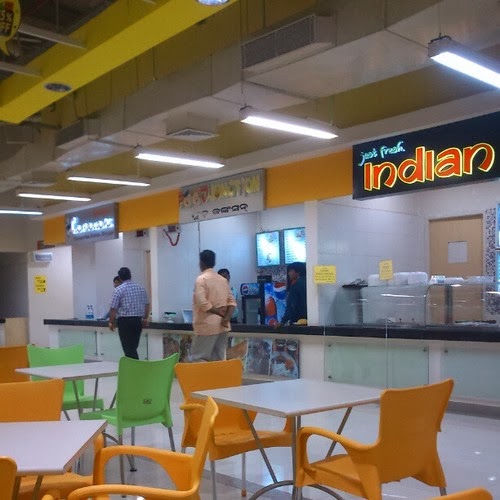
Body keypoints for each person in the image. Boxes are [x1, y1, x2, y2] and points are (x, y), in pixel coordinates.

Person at [191, 250, 236, 362]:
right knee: (219, 359)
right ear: (214, 263)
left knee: (199, 358)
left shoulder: (201, 279)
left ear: (201, 263)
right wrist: (226, 318)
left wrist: (217, 311)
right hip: (223, 326)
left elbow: (202, 302)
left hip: (206, 326)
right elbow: (232, 302)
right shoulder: (223, 280)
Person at [108, 267, 149, 359]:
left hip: (124, 322)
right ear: (130, 275)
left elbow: (113, 308)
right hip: (137, 321)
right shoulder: (141, 288)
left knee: (128, 349)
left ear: (120, 278)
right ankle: (134, 365)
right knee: (133, 347)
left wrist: (111, 322)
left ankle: (136, 366)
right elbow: (147, 304)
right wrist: (145, 318)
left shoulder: (118, 290)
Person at [276, 262, 307, 327]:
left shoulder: (296, 284)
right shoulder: (308, 282)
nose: (288, 273)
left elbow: (292, 305)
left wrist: (283, 321)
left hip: (297, 321)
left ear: (297, 272)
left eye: (290, 271)